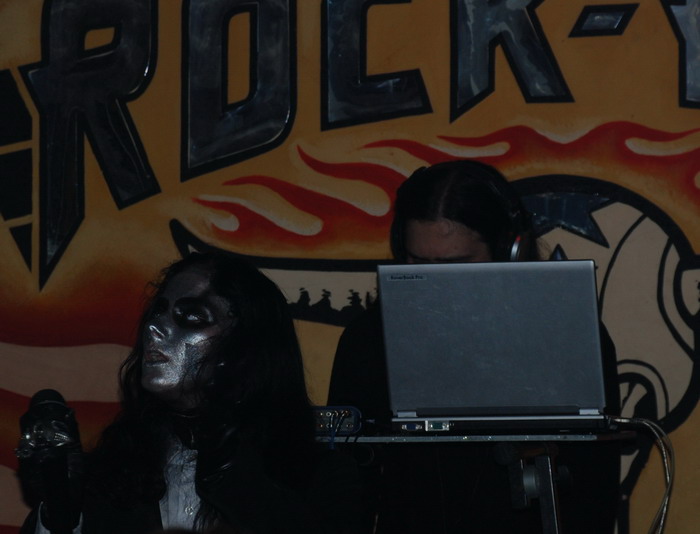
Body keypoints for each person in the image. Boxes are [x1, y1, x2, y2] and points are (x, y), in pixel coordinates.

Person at [328, 160, 621, 533]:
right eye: (418, 263)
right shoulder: (368, 340)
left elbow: (594, 496)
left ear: (509, 250)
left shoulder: (569, 341)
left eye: (455, 264)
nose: (435, 283)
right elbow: (345, 485)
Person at [18, 252, 362, 534]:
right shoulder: (117, 469)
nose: (155, 328)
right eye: (158, 311)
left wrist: (234, 475)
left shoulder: (319, 476)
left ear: (243, 347)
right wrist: (60, 514)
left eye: (191, 316)